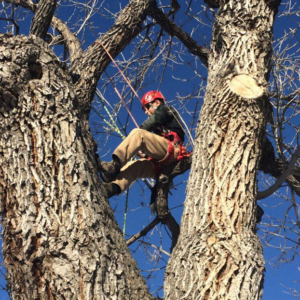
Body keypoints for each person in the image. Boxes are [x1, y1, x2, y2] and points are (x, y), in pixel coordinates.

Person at [99, 91, 185, 198]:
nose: (145, 112)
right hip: (161, 163)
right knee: (135, 166)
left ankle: (114, 166)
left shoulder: (166, 109)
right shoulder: (159, 126)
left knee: (138, 133)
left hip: (174, 150)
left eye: (146, 108)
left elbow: (153, 121)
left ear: (157, 103)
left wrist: (141, 133)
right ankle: (111, 188)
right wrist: (146, 155)